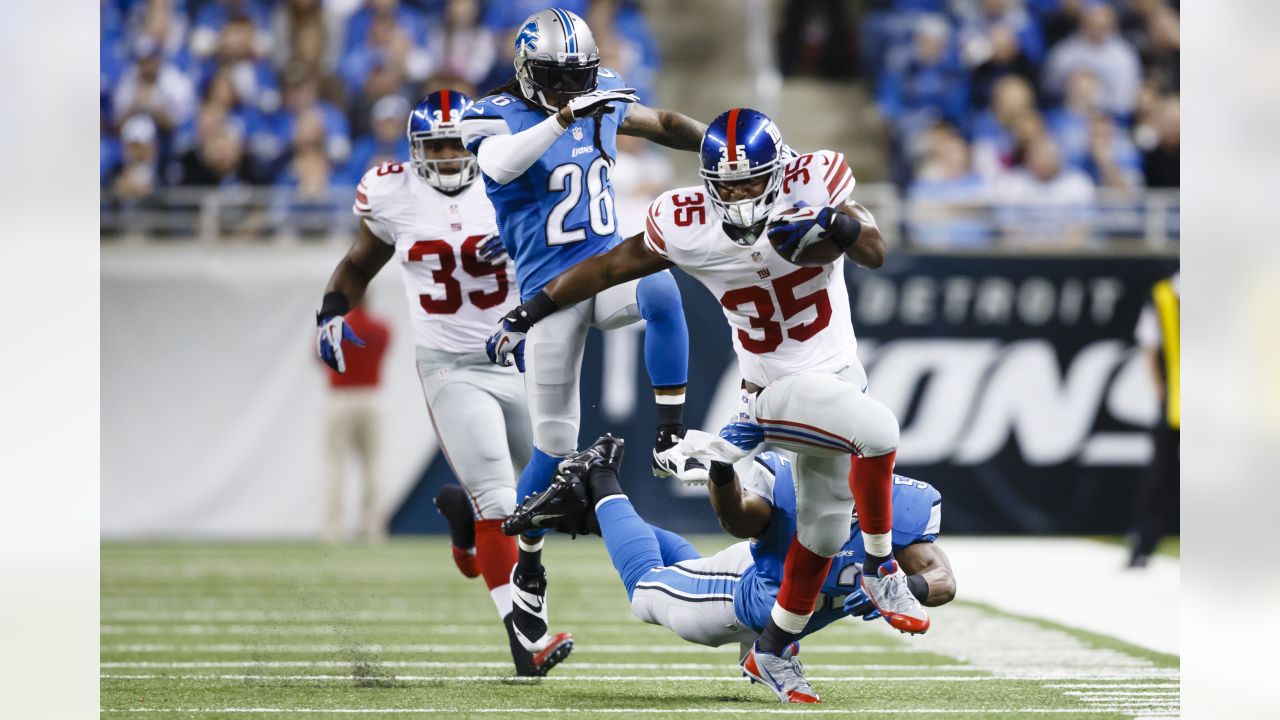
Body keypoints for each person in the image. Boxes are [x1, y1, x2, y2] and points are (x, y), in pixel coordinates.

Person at [488, 106, 930, 696]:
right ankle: (880, 568)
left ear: (777, 172)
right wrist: (533, 309)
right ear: (707, 183)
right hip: (771, 389)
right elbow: (609, 266)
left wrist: (836, 226)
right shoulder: (687, 219)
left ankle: (773, 652)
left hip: (837, 378)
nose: (741, 195)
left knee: (823, 534)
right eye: (727, 185)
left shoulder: (813, 178)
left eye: (752, 182)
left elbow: (874, 249)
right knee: (879, 431)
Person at [459, 8, 706, 655]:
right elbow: (505, 166)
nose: (571, 90)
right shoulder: (489, 114)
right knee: (553, 448)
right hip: (548, 297)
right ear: (526, 72)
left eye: (579, 80)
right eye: (557, 80)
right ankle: (531, 563)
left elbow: (666, 126)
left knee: (660, 284)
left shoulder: (599, 95)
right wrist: (562, 118)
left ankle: (670, 434)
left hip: (604, 269)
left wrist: (723, 145)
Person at [314, 89, 572, 677]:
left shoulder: (513, 175)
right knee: (500, 500)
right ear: (414, 152)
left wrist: (521, 237)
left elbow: (566, 247)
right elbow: (359, 264)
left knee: (544, 505)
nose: (453, 156)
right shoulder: (392, 194)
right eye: (439, 147)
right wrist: (331, 309)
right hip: (452, 366)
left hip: (524, 357)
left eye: (460, 143)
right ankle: (525, 646)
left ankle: (464, 540)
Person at [505, 433, 956, 703]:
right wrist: (722, 470)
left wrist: (907, 585)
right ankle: (600, 477)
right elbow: (737, 518)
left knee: (684, 569)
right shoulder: (789, 483)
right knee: (647, 591)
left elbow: (943, 579)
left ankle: (590, 515)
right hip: (739, 596)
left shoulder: (903, 507)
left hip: (771, 611)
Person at [318, 304, 389, 543]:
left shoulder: (333, 329)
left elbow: (320, 356)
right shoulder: (381, 329)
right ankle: (372, 529)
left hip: (340, 397)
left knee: (335, 464)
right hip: (371, 398)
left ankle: (333, 530)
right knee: (373, 465)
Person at [1128, 270, 1179, 567]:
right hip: (1177, 399)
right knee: (1160, 476)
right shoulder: (1164, 294)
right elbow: (1150, 346)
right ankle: (1143, 543)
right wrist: (1160, 390)